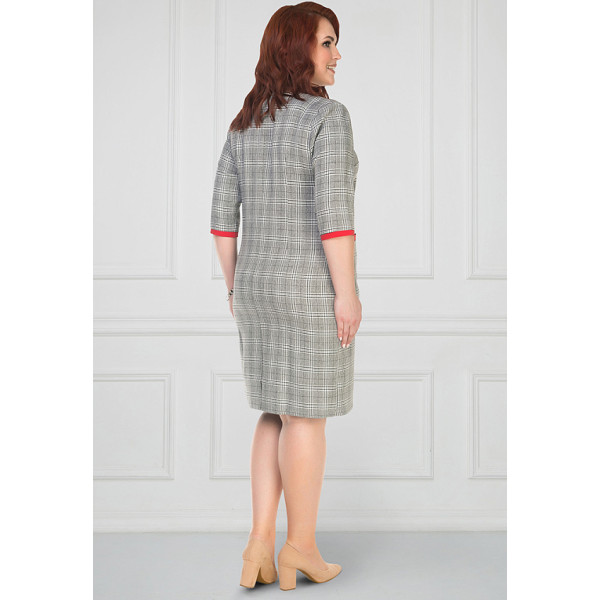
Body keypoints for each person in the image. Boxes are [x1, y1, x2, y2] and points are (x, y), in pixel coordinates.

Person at [210, 2, 361, 591]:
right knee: (306, 416)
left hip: (253, 288)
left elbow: (222, 222)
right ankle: (301, 548)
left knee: (274, 409)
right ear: (297, 49)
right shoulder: (329, 118)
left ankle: (258, 545)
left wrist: (234, 286)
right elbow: (335, 218)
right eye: (327, 43)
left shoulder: (244, 123)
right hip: (308, 290)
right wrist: (346, 296)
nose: (337, 55)